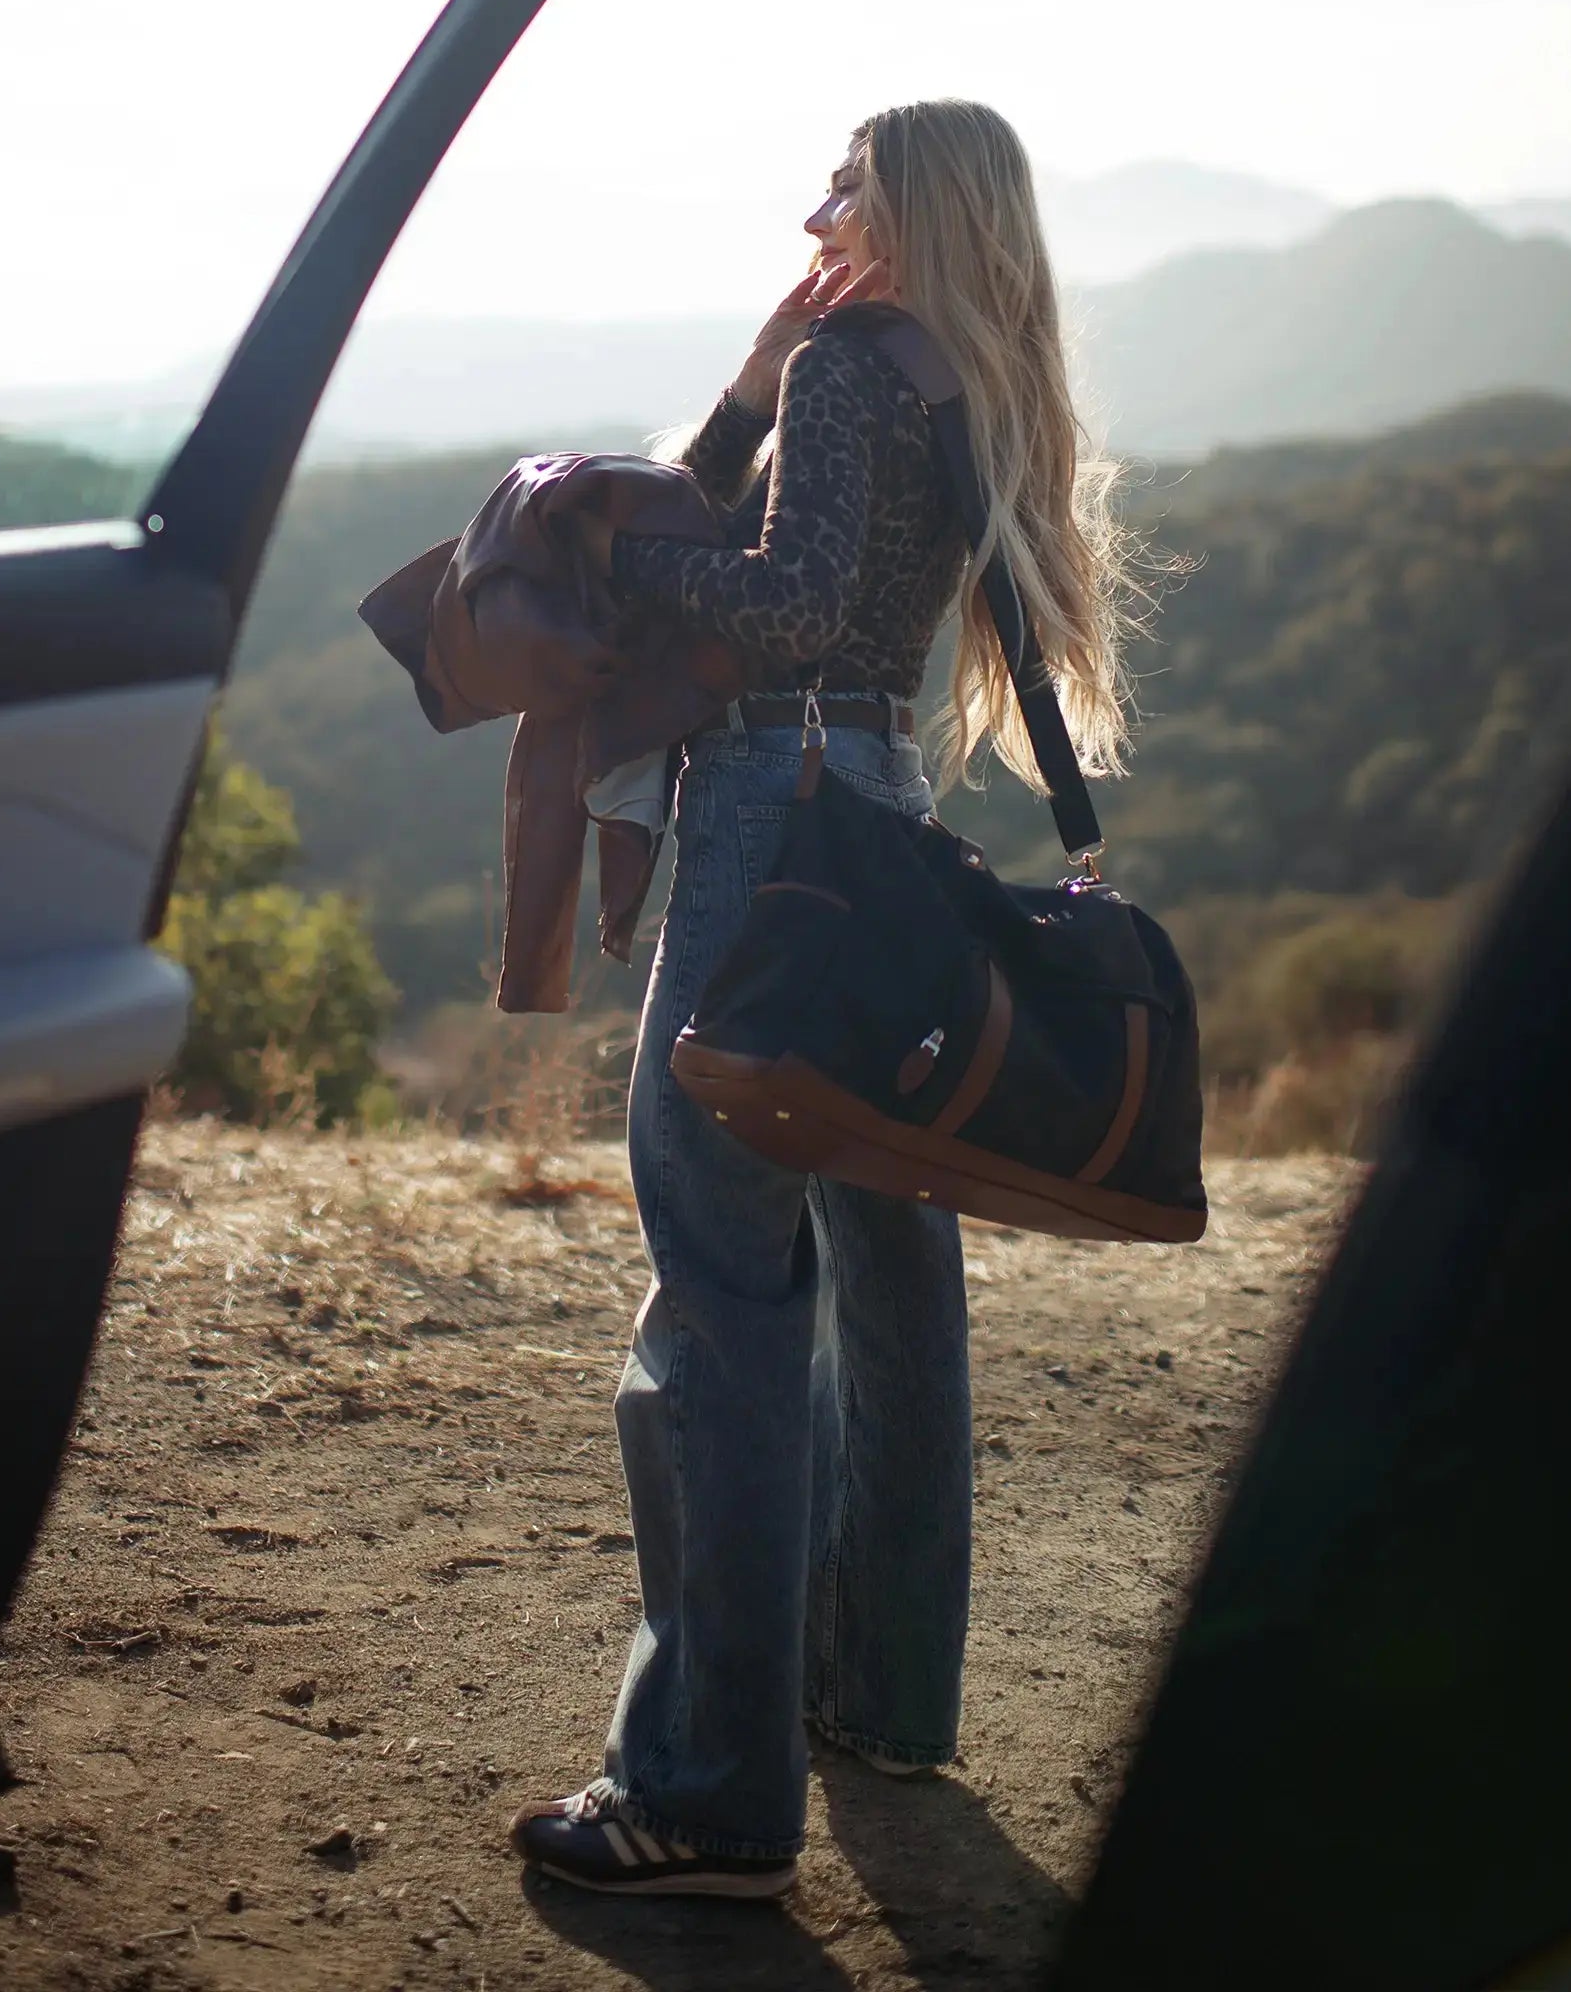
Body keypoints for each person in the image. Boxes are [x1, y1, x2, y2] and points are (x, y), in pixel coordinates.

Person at [510, 99, 1139, 1898]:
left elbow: (781, 606)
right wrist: (746, 388)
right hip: (884, 814)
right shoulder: (963, 377)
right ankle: (878, 1698)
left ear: (914, 204)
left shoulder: (856, 368)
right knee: (887, 1270)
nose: (813, 216)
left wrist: (611, 553)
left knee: (720, 1289)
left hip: (767, 820)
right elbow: (833, 593)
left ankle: (705, 1795)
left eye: (845, 187)